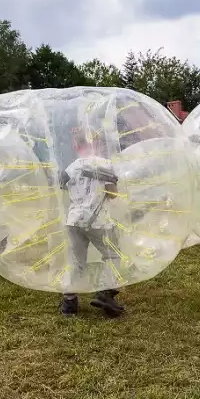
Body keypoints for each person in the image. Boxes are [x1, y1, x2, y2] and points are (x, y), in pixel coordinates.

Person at [57, 130, 125, 318]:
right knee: (113, 255)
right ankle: (105, 293)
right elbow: (112, 195)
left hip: (74, 221)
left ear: (76, 146)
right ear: (97, 145)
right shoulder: (105, 165)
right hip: (99, 222)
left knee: (76, 262)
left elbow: (65, 191)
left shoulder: (69, 168)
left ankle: (69, 303)